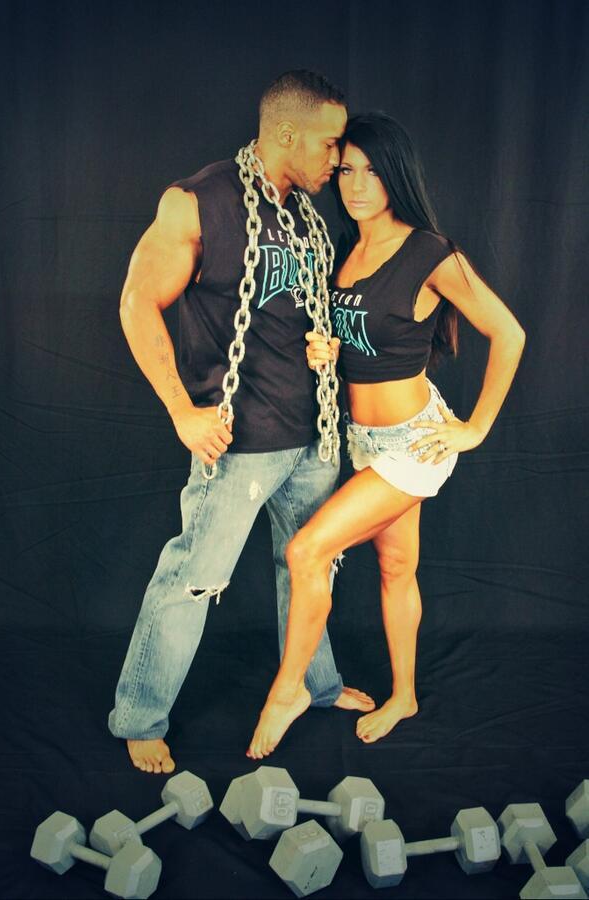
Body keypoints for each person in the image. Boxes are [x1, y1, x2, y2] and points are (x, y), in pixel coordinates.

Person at [108, 71, 376, 774]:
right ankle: (139, 716)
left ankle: (316, 687)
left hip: (313, 436)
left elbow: (301, 313)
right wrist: (181, 411)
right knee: (191, 579)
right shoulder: (198, 202)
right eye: (328, 143)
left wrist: (326, 346)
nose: (337, 159)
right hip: (239, 442)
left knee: (309, 570)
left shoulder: (308, 215)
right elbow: (137, 302)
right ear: (286, 132)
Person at [247, 112, 526, 759]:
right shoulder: (345, 249)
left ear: (395, 175)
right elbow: (356, 340)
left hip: (413, 445)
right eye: (346, 170)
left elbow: (508, 333)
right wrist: (325, 350)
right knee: (397, 567)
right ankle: (404, 695)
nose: (355, 185)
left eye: (371, 172)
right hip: (363, 441)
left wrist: (475, 428)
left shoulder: (429, 252)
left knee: (306, 551)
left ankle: (287, 689)